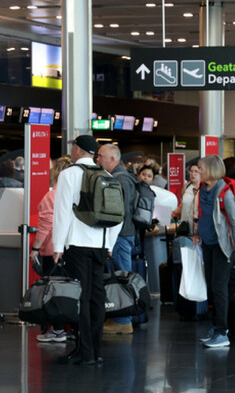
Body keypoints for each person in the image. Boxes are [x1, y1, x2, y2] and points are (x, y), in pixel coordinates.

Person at [52, 135, 122, 365]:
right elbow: (117, 216)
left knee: (81, 297)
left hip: (77, 245)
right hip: (100, 245)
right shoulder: (107, 175)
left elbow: (62, 211)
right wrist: (109, 244)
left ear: (77, 149)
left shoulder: (69, 174)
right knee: (96, 299)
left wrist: (58, 245)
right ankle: (96, 350)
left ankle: (84, 352)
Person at [193, 155, 235, 348]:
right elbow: (204, 216)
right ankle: (217, 327)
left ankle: (222, 332)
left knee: (219, 287)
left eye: (201, 168)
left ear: (212, 170)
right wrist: (198, 233)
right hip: (207, 244)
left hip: (223, 248)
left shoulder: (225, 192)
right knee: (213, 287)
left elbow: (234, 223)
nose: (198, 172)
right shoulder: (203, 190)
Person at [96, 144, 138, 335]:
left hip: (120, 237)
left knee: (121, 277)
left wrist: (110, 241)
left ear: (112, 159)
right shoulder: (123, 178)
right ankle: (120, 317)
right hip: (123, 235)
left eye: (100, 156)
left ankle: (123, 320)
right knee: (118, 276)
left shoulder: (119, 180)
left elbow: (118, 212)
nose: (98, 160)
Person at [31, 156, 72, 343]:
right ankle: (71, 327)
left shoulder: (52, 196)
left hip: (53, 249)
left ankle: (56, 329)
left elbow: (46, 224)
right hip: (73, 248)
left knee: (54, 290)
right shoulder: (76, 193)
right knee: (71, 289)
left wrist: (35, 247)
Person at [172, 161, 200, 230]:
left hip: (197, 227)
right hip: (185, 226)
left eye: (196, 171)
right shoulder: (187, 186)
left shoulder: (203, 188)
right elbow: (182, 205)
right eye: (191, 171)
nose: (193, 174)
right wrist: (172, 214)